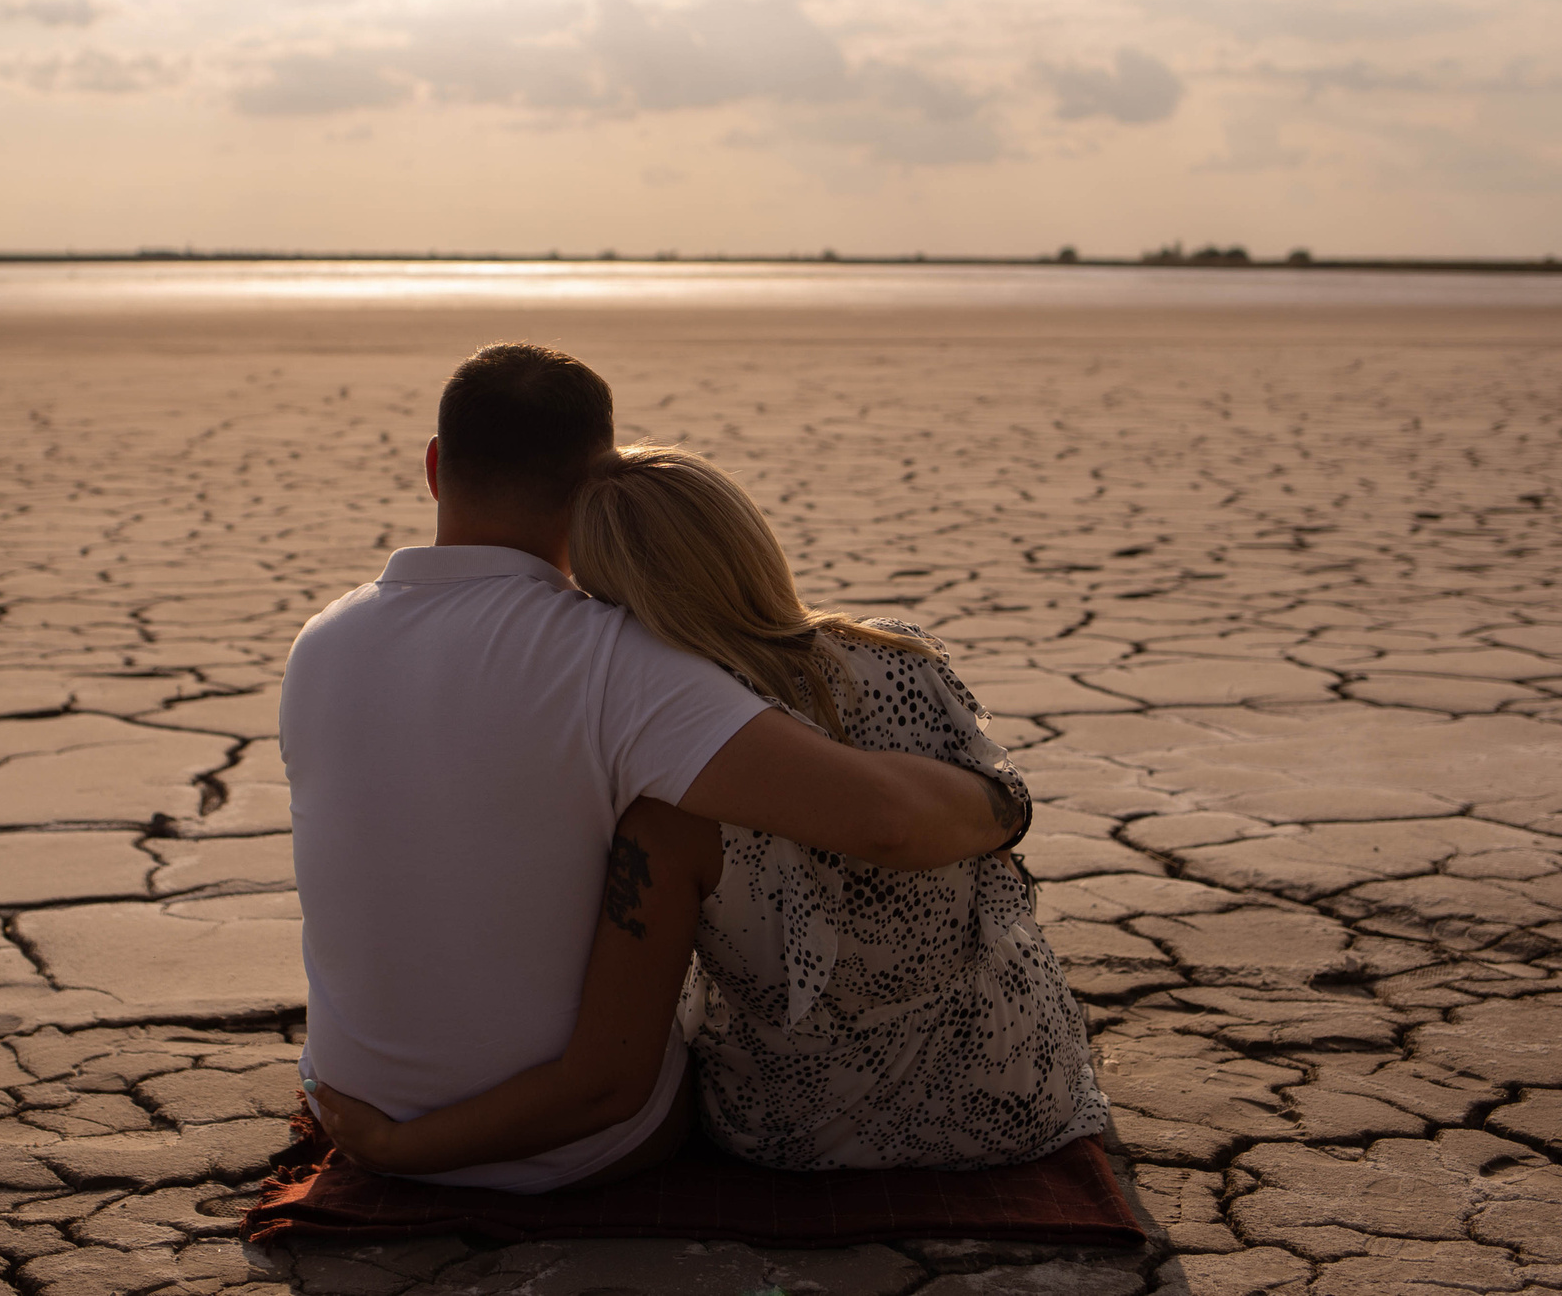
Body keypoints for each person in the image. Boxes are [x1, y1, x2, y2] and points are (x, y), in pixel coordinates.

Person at [280, 345, 1024, 1194]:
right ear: (602, 478)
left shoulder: (323, 640)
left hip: (356, 1099)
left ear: (434, 466)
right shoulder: (615, 660)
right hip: (573, 1146)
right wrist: (1004, 804)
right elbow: (884, 819)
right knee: (679, 841)